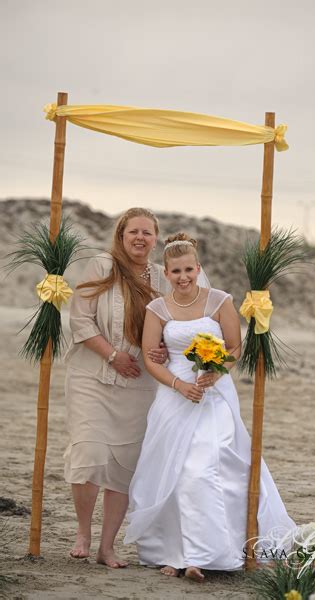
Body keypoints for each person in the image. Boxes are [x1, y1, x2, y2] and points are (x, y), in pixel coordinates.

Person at [124, 233, 296, 581]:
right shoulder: (157, 308)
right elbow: (151, 356)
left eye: (189, 269)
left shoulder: (219, 301)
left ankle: (204, 554)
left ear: (198, 269)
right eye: (176, 271)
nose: (183, 276)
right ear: (167, 273)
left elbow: (234, 347)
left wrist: (214, 373)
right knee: (170, 470)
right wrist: (179, 384)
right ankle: (174, 552)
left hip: (213, 396)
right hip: (174, 396)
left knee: (203, 466)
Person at [64, 209, 209, 568]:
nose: (140, 238)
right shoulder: (101, 266)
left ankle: (106, 547)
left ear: (156, 238)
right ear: (121, 234)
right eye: (134, 232)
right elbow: (79, 319)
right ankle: (84, 533)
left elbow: (180, 319)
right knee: (89, 454)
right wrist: (113, 355)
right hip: (92, 376)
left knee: (124, 466)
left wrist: (159, 349)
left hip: (140, 383)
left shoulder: (163, 277)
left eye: (147, 232)